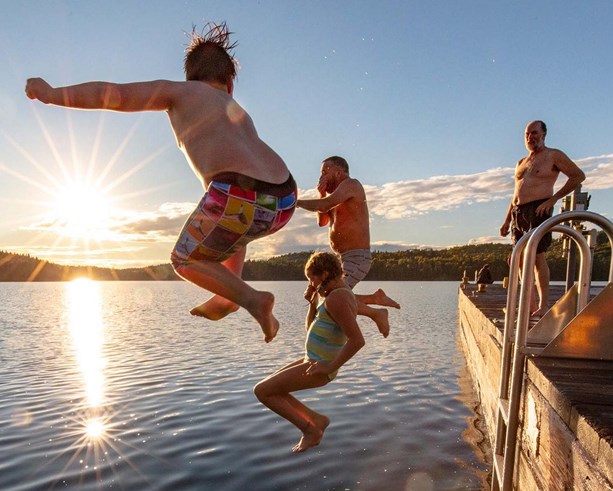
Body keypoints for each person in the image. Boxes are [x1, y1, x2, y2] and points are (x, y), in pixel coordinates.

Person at [25, 21, 296, 343]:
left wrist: (52, 95)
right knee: (237, 226)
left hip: (239, 194)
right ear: (230, 83)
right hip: (283, 198)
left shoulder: (180, 92)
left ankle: (253, 299)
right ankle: (227, 295)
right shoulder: (236, 110)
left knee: (185, 258)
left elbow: (115, 95)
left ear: (190, 77)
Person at [254, 252, 365, 453]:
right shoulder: (333, 295)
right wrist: (312, 303)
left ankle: (311, 428)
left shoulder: (337, 298)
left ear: (324, 274)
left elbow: (357, 340)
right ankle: (315, 420)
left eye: (312, 279)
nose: (311, 284)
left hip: (320, 365)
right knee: (270, 387)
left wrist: (329, 367)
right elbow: (310, 328)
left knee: (262, 391)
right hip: (312, 360)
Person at [296, 156, 399, 337]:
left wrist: (295, 202)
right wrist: (321, 193)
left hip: (357, 257)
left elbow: (324, 205)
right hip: (341, 258)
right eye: (320, 173)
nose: (322, 177)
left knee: (333, 295)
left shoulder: (352, 185)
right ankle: (375, 299)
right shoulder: (334, 196)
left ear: (339, 171)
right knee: (327, 292)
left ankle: (376, 313)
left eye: (325, 172)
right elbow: (323, 220)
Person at [500, 120, 585, 317]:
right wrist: (506, 220)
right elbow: (515, 194)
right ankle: (527, 304)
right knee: (519, 259)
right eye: (527, 134)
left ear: (544, 134)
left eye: (535, 133)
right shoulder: (521, 163)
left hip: (538, 209)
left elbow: (577, 176)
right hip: (518, 213)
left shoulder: (553, 155)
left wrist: (553, 200)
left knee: (537, 257)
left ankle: (543, 305)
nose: (531, 137)